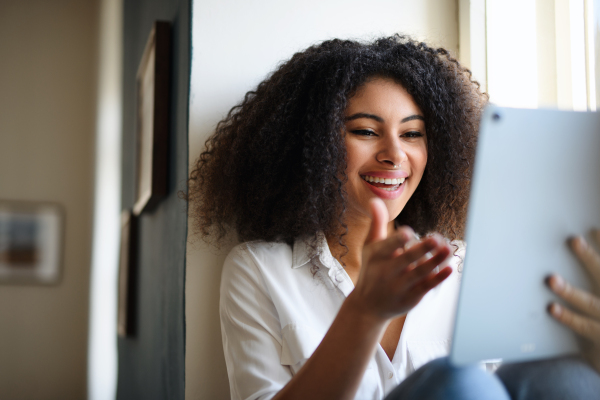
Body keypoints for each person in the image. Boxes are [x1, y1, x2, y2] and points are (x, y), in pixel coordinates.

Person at [187, 35, 600, 400]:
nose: (394, 154)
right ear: (313, 146)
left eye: (412, 134)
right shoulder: (260, 270)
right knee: (458, 382)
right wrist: (364, 311)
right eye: (366, 131)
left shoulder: (471, 268)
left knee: (561, 374)